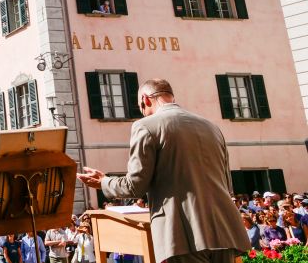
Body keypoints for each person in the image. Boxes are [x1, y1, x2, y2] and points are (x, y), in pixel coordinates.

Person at [77, 78, 250, 263]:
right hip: (225, 229)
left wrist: (104, 182)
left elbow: (134, 186)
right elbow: (226, 181)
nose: (142, 112)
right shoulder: (212, 127)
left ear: (145, 99)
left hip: (184, 233)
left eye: (140, 107)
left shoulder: (145, 125)